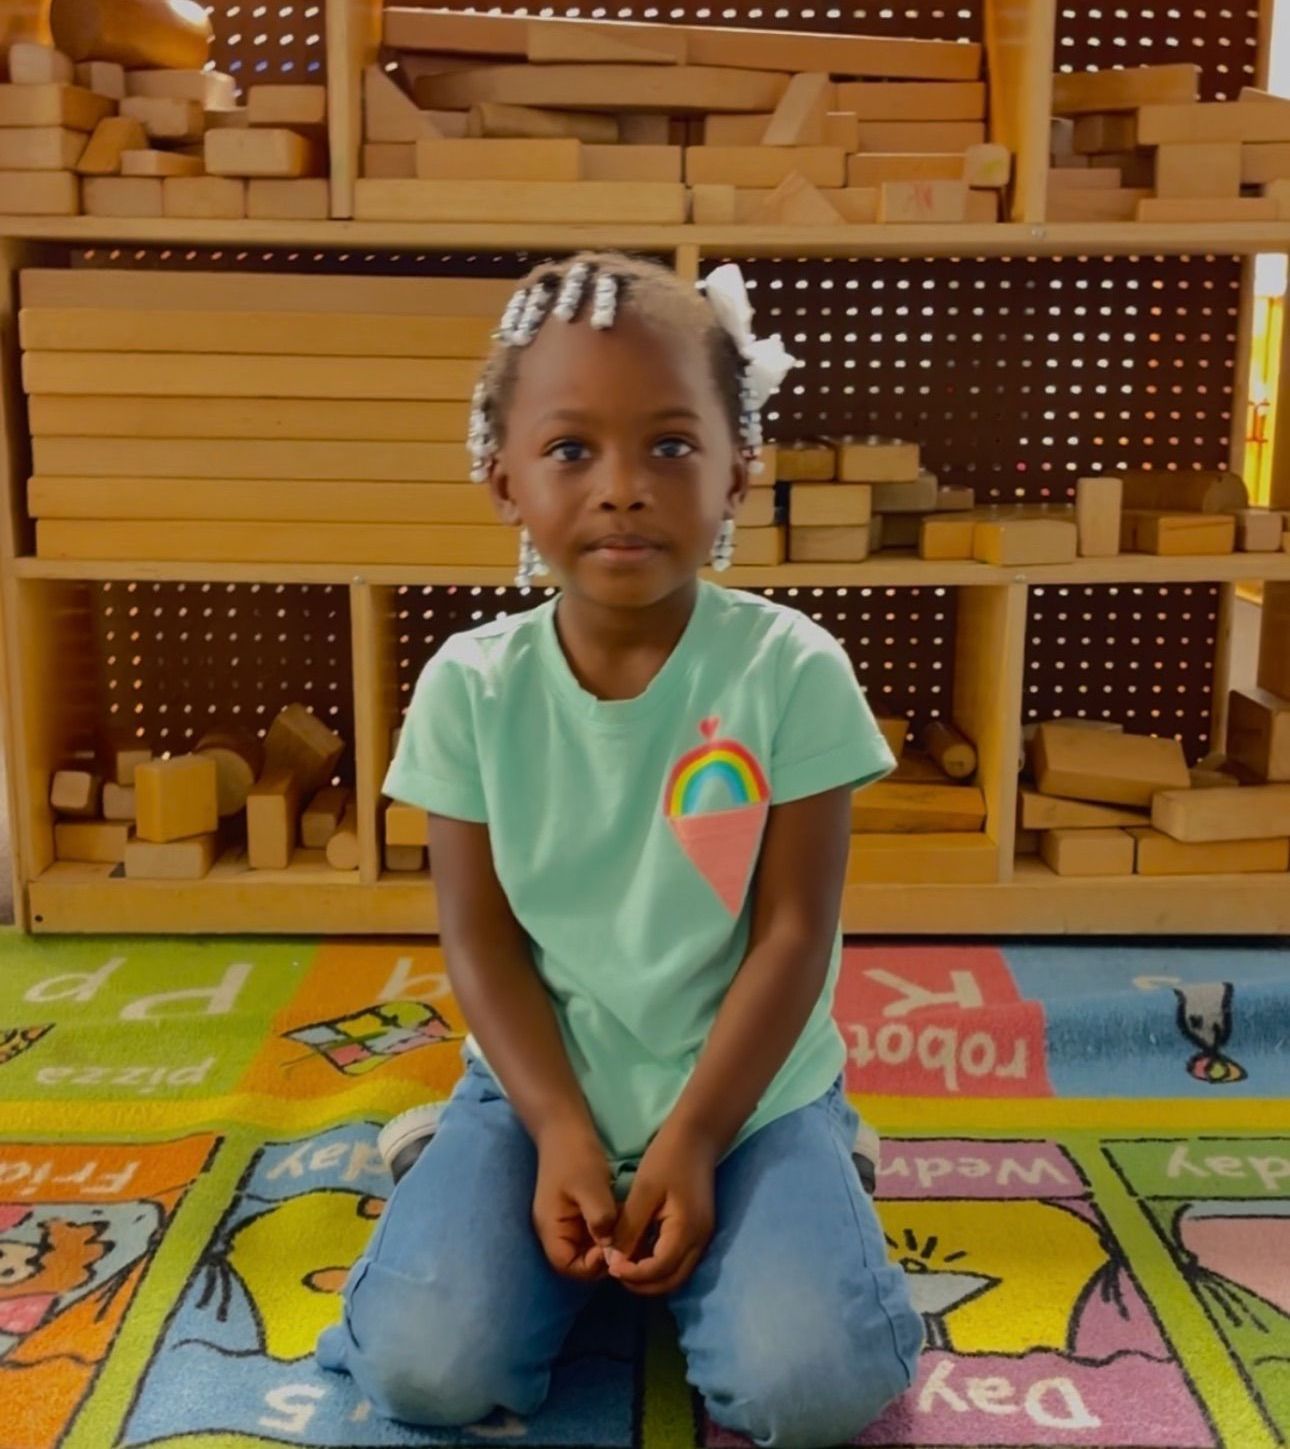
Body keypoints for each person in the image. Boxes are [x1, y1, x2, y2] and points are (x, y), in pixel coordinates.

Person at [316, 252, 925, 1447]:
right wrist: (553, 1127)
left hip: (750, 1099)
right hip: (540, 1085)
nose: (624, 489)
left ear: (740, 469)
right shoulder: (469, 688)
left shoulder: (793, 672)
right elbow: (478, 934)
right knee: (426, 1369)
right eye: (571, 450)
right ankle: (472, 1161)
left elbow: (795, 931)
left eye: (671, 447)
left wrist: (698, 1138)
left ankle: (813, 1171)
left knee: (815, 1388)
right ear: (502, 476)